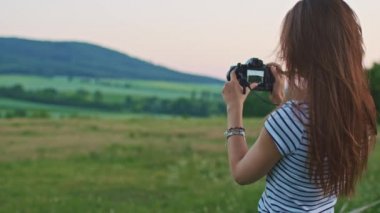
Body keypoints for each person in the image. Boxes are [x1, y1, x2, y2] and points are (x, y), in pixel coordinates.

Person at [221, 0, 377, 212]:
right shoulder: (360, 117)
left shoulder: (290, 120)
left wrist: (234, 107)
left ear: (296, 49)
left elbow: (241, 173)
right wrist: (282, 101)